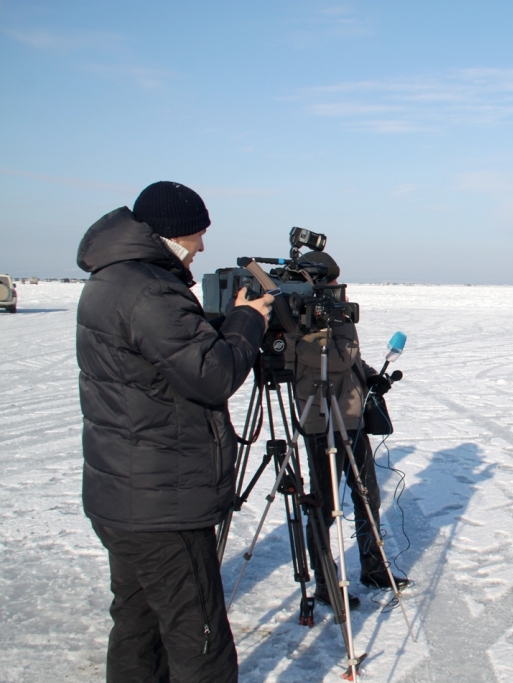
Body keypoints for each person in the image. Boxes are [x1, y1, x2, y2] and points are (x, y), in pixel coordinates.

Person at [77, 181, 274, 682]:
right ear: (170, 234)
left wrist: (214, 321)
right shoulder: (150, 291)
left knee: (138, 628)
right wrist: (247, 321)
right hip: (163, 504)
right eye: (197, 235)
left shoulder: (114, 279)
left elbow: (163, 357)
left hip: (122, 494)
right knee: (198, 640)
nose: (201, 247)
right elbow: (212, 376)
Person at [288, 251, 409, 604]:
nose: (336, 289)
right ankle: (327, 583)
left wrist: (371, 375)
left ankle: (373, 568)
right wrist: (327, 321)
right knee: (324, 505)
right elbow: (334, 358)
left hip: (352, 415)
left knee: (367, 496)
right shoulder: (299, 318)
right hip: (322, 420)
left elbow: (351, 356)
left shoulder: (331, 311)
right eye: (329, 282)